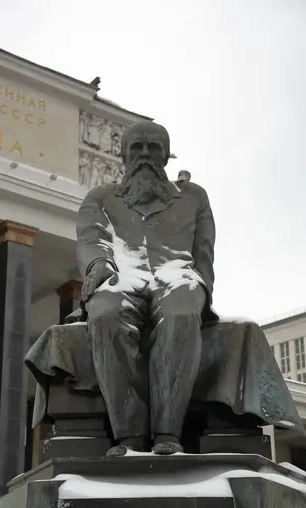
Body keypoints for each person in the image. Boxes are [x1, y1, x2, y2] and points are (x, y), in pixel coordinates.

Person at [76, 121, 216, 456]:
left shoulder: (194, 197)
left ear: (167, 155)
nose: (144, 155)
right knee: (105, 310)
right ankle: (130, 437)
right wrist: (99, 267)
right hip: (122, 272)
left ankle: (168, 433)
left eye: (153, 148)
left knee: (181, 311)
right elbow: (92, 239)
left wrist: (202, 290)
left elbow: (204, 251)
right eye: (136, 148)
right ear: (123, 154)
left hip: (177, 273)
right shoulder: (101, 198)